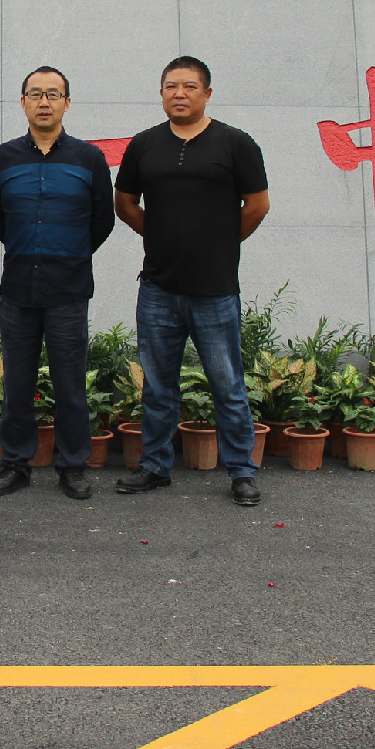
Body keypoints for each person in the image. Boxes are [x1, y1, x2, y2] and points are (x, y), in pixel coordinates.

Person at [113, 55, 270, 507]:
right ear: (161, 93)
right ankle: (155, 465)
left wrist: (220, 243)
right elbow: (125, 203)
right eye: (171, 86)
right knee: (158, 386)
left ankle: (241, 472)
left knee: (228, 386)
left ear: (207, 93)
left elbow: (257, 205)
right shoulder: (144, 145)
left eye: (189, 86)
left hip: (215, 290)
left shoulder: (235, 143)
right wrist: (158, 235)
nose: (179, 94)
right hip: (157, 288)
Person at [0, 66, 113, 500]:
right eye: (35, 94)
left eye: (53, 94)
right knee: (17, 384)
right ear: (22, 102)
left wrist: (67, 252)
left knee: (70, 384)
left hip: (68, 289)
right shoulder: (3, 157)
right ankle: (15, 464)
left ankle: (72, 466)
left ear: (66, 103)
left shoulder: (89, 158)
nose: (44, 102)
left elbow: (102, 220)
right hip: (18, 287)